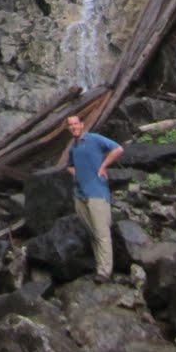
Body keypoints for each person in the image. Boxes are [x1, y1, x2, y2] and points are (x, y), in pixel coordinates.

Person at [62, 113, 124, 282]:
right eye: (70, 125)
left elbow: (118, 148)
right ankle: (100, 269)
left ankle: (105, 272)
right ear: (68, 128)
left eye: (76, 123)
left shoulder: (94, 139)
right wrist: (77, 174)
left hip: (97, 193)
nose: (74, 127)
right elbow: (69, 167)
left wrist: (103, 166)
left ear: (81, 125)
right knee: (93, 233)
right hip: (80, 195)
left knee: (102, 232)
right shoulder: (74, 148)